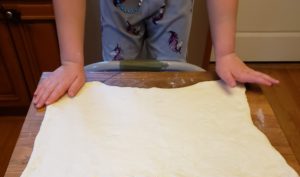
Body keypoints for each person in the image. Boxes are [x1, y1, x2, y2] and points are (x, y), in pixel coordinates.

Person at [33, 0, 279, 108]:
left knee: (170, 78)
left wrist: (226, 52)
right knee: (117, 81)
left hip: (172, 3)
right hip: (119, 4)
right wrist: (71, 61)